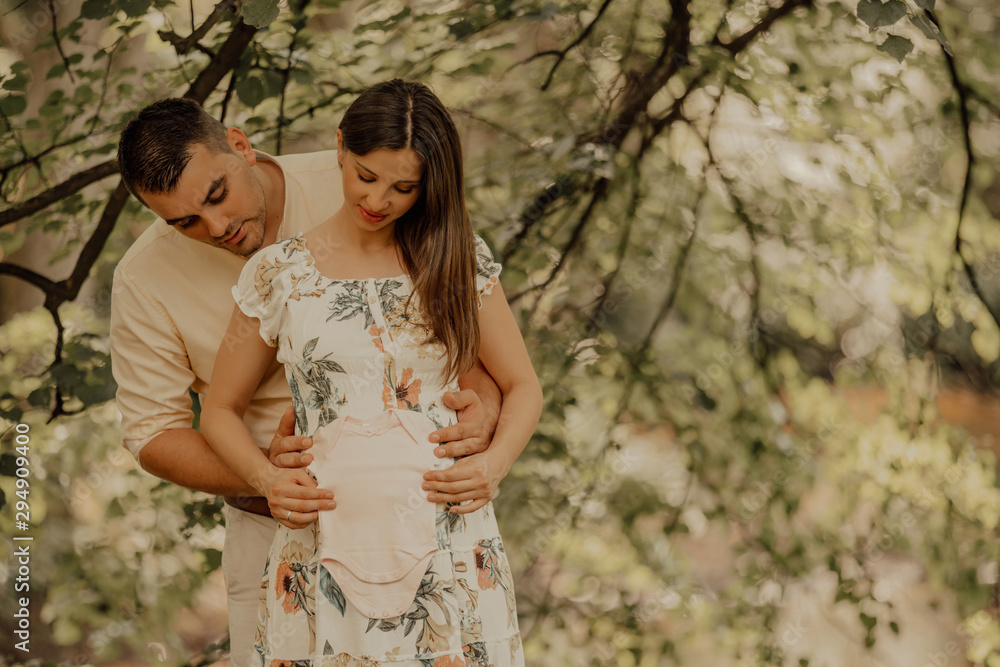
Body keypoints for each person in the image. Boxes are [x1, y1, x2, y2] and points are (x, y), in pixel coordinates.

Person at [110, 97, 503, 666]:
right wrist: (269, 474)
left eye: (217, 195)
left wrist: (485, 415)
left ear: (240, 146)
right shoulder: (143, 278)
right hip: (273, 526)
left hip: (426, 521)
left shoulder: (367, 180)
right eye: (183, 222)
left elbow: (463, 333)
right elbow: (152, 435)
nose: (216, 227)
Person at [201, 79, 541, 666]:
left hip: (451, 547)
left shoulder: (455, 257)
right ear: (340, 147)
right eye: (366, 176)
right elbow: (219, 410)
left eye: (404, 187)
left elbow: (523, 387)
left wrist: (495, 464)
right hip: (321, 548)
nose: (379, 200)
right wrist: (267, 479)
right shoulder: (278, 274)